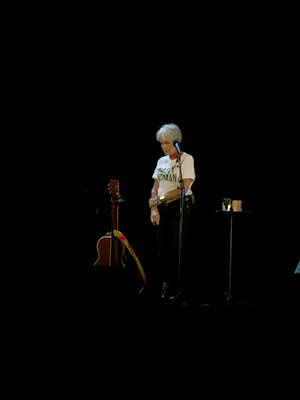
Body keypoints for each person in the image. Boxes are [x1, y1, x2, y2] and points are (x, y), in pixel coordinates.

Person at [149, 123, 196, 302]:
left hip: (180, 207)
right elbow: (155, 188)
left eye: (167, 143)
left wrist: (158, 201)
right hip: (163, 209)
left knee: (178, 248)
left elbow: (182, 188)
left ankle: (180, 288)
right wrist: (154, 208)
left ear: (177, 141)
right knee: (162, 248)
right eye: (161, 143)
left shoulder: (186, 160)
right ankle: (164, 285)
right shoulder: (161, 161)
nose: (164, 147)